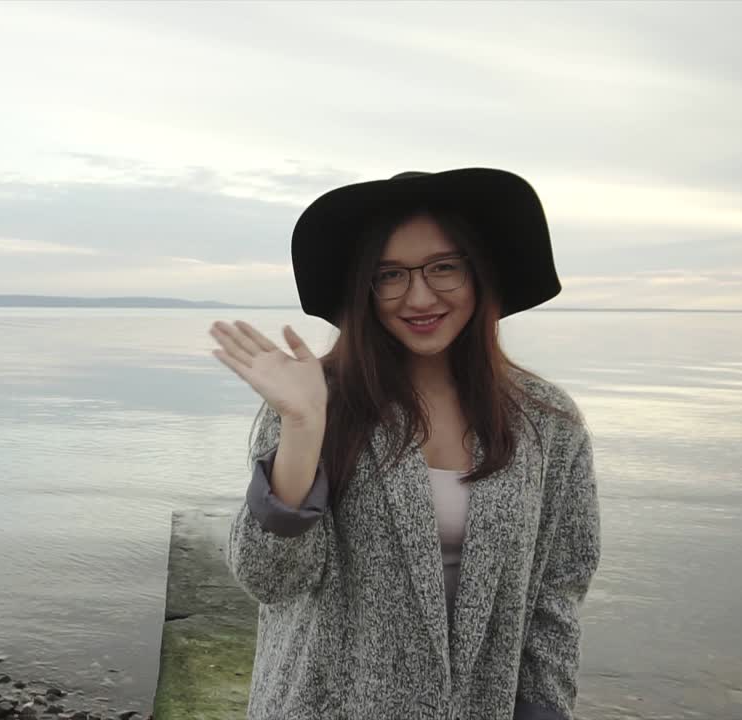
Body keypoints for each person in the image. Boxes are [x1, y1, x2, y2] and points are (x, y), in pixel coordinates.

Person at [208, 169, 602, 720]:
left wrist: (545, 708)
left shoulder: (547, 422)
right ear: (364, 290)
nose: (419, 296)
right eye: (389, 274)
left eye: (444, 267)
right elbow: (268, 580)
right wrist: (302, 425)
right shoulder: (317, 400)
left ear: (480, 272)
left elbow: (558, 592)